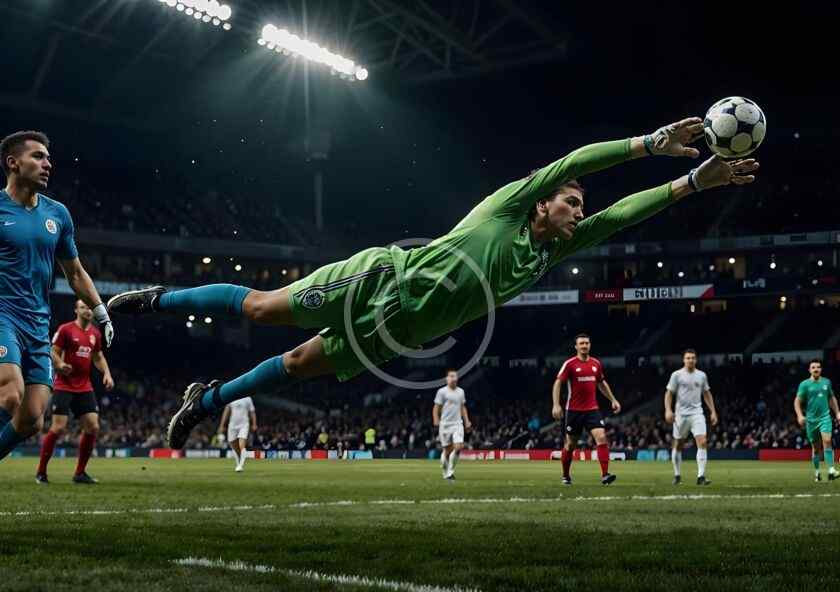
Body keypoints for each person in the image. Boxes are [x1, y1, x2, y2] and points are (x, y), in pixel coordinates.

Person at [106, 118, 758, 449]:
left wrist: (692, 183)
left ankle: (206, 400)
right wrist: (649, 144)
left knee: (298, 365)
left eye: (581, 206)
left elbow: (623, 214)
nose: (579, 210)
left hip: (400, 332)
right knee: (262, 308)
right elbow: (575, 160)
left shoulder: (555, 250)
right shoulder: (511, 205)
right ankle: (156, 299)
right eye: (572, 201)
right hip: (380, 280)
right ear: (543, 201)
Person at [0, 131, 114, 465]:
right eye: (38, 156)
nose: (47, 164)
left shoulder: (58, 214)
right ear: (13, 163)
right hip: (3, 315)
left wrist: (101, 311)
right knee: (10, 393)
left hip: (37, 323)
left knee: (31, 419)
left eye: (48, 157)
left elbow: (75, 273)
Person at [36, 300, 114, 484]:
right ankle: (41, 472)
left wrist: (107, 373)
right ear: (76, 310)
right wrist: (60, 364)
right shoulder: (66, 330)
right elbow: (53, 351)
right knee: (58, 428)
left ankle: (80, 473)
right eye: (83, 307)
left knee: (93, 427)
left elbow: (98, 357)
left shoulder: (95, 333)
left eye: (90, 308)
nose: (87, 310)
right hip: (63, 385)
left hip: (84, 386)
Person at [552, 334, 621, 485]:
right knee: (570, 445)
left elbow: (601, 383)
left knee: (601, 437)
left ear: (590, 345)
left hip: (592, 410)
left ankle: (605, 475)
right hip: (574, 411)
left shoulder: (596, 363)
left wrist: (613, 399)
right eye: (581, 343)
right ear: (576, 346)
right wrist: (556, 405)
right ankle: (565, 475)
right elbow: (558, 383)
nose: (584, 345)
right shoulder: (570, 364)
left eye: (587, 343)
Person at [664, 349, 718, 486]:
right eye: (688, 358)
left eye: (693, 358)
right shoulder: (676, 375)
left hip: (697, 413)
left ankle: (701, 476)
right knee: (678, 444)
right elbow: (669, 394)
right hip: (680, 415)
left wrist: (713, 411)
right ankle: (677, 475)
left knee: (703, 442)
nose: (690, 360)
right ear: (684, 360)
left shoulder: (701, 375)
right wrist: (668, 410)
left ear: (696, 360)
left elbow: (707, 394)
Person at [794, 359, 839, 482]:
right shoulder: (804, 384)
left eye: (818, 367)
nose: (816, 369)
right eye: (813, 367)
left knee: (827, 440)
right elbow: (797, 401)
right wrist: (799, 415)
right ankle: (817, 472)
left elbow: (832, 398)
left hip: (825, 417)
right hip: (811, 420)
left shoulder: (826, 382)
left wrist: (837, 413)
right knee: (816, 448)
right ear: (809, 370)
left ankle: (831, 470)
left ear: (821, 369)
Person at [433, 369, 471, 480]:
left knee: (458, 447)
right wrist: (436, 419)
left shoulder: (461, 392)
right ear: (447, 379)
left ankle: (450, 471)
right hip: (445, 425)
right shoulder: (442, 392)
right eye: (451, 376)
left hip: (457, 424)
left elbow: (462, 407)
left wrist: (467, 421)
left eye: (455, 376)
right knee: (447, 451)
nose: (453, 378)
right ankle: (445, 471)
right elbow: (436, 407)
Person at [218, 397, 257, 472]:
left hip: (244, 424)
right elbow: (226, 412)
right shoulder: (231, 396)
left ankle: (240, 465)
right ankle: (239, 462)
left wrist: (254, 424)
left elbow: (252, 412)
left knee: (242, 445)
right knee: (234, 445)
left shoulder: (248, 398)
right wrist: (222, 425)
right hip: (232, 425)